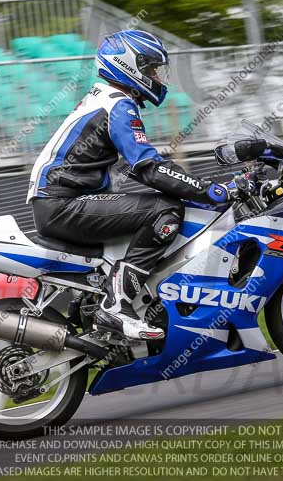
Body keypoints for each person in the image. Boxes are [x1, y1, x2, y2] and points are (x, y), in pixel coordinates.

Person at [27, 30, 234, 340]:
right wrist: (208, 190)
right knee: (164, 210)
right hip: (63, 203)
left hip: (58, 202)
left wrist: (188, 184)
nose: (157, 77)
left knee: (151, 202)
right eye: (151, 69)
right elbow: (148, 168)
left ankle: (106, 301)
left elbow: (143, 170)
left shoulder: (104, 99)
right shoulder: (119, 105)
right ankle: (117, 305)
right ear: (130, 67)